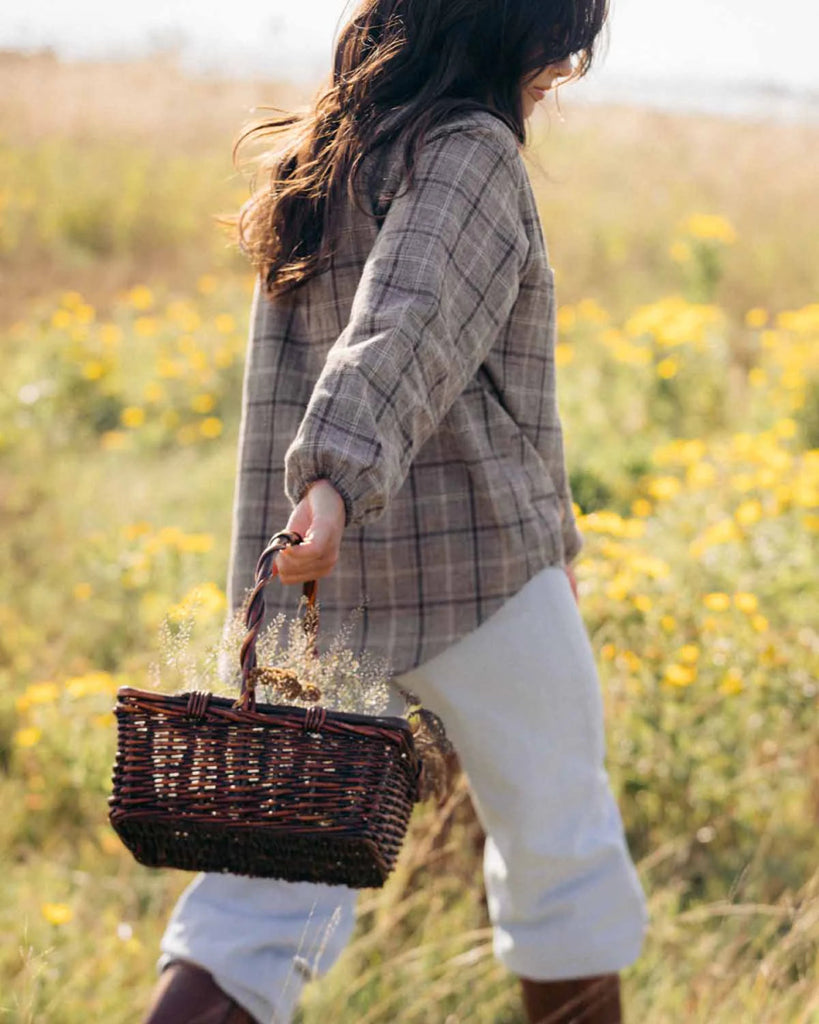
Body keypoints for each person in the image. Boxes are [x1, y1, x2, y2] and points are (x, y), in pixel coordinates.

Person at [144, 1, 648, 1021]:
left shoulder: (327, 155)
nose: (567, 69)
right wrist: (333, 476)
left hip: (319, 595)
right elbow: (401, 329)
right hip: (477, 581)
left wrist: (325, 499)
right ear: (529, 38)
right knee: (563, 860)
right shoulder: (473, 154)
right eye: (569, 41)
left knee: (263, 897)